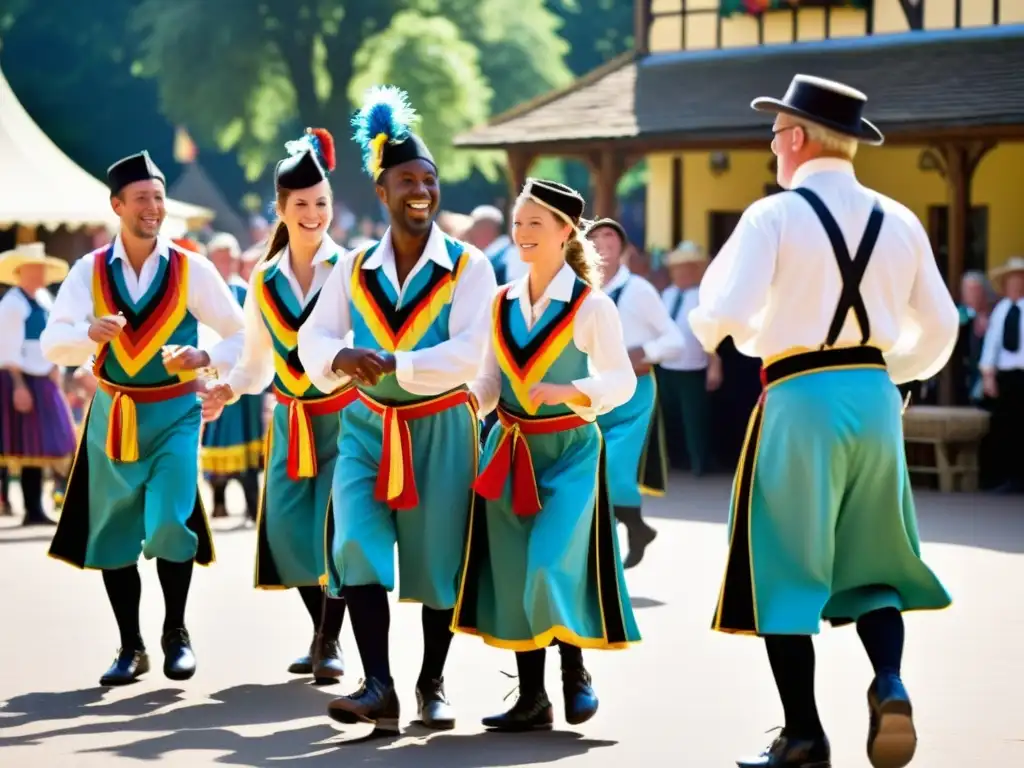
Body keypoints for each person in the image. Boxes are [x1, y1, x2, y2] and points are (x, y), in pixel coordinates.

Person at [689, 75, 957, 768]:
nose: (772, 146)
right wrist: (891, 374)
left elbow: (722, 314)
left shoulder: (772, 215)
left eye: (775, 133)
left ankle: (804, 734)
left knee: (782, 566)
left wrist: (734, 333)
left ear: (799, 137)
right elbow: (944, 326)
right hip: (874, 395)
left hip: (800, 392)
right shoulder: (900, 218)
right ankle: (889, 681)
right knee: (872, 561)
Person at [297, 86, 496, 732]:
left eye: (430, 180)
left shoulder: (469, 266)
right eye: (407, 179)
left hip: (440, 427)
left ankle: (431, 681)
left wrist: (393, 363)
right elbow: (312, 338)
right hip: (366, 425)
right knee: (353, 541)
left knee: (440, 565)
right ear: (381, 192)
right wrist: (340, 361)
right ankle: (377, 683)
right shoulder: (351, 267)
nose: (422, 190)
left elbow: (471, 352)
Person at [41, 150, 246, 686]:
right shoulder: (88, 271)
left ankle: (175, 632)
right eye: (143, 199)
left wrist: (206, 358)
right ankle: (130, 646)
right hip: (113, 412)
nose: (154, 207)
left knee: (168, 521)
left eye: (158, 197)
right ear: (117, 205)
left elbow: (242, 333)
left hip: (176, 412)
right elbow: (52, 342)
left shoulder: (191, 267)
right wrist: (87, 336)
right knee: (112, 533)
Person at [452, 179, 641, 731]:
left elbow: (622, 382)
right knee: (513, 573)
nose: (523, 233)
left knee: (548, 564)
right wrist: (469, 398)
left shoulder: (592, 306)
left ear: (566, 232)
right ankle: (532, 698)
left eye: (536, 223)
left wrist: (573, 392)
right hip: (508, 451)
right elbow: (489, 379)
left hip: (570, 453)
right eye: (518, 223)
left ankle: (575, 672)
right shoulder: (499, 303)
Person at [203, 129, 350, 683]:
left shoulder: (353, 270)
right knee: (289, 534)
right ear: (281, 210)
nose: (313, 214)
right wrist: (229, 388)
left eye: (321, 204)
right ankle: (320, 632)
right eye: (301, 205)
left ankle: (329, 641)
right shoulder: (262, 280)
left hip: (345, 420)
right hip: (291, 419)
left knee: (338, 530)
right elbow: (258, 361)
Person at [586, 217, 683, 568]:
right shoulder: (578, 290)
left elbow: (675, 340)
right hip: (590, 393)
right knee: (589, 471)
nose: (602, 243)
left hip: (633, 392)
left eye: (611, 237)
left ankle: (623, 537)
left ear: (624, 249)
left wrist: (642, 354)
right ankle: (626, 536)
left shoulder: (639, 290)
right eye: (594, 237)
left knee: (614, 469)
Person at [0, 243, 77, 525]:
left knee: (54, 438)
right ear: (23, 271)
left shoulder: (44, 299)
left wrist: (56, 367)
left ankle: (45, 503)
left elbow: (54, 336)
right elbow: (7, 348)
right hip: (21, 377)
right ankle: (31, 508)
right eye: (37, 267)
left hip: (44, 375)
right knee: (26, 443)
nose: (42, 272)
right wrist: (18, 385)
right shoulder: (12, 304)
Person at [199, 232, 263, 521]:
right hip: (214, 373)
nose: (227, 262)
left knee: (249, 443)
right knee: (217, 437)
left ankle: (252, 505)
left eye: (231, 257)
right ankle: (219, 502)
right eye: (221, 257)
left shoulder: (247, 292)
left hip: (245, 375)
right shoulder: (205, 293)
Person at [657, 241, 722, 476]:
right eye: (677, 268)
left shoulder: (703, 295)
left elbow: (710, 331)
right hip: (666, 366)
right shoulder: (667, 294)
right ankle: (674, 463)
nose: (681, 272)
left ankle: (699, 463)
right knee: (670, 418)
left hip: (693, 367)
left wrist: (714, 364)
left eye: (687, 268)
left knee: (695, 420)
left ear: (697, 270)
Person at [979, 256, 1024, 494]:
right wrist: (988, 375)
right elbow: (991, 345)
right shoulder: (1002, 310)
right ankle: (1006, 478)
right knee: (1005, 427)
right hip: (1006, 377)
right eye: (1011, 280)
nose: (1015, 284)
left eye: (1019, 280)